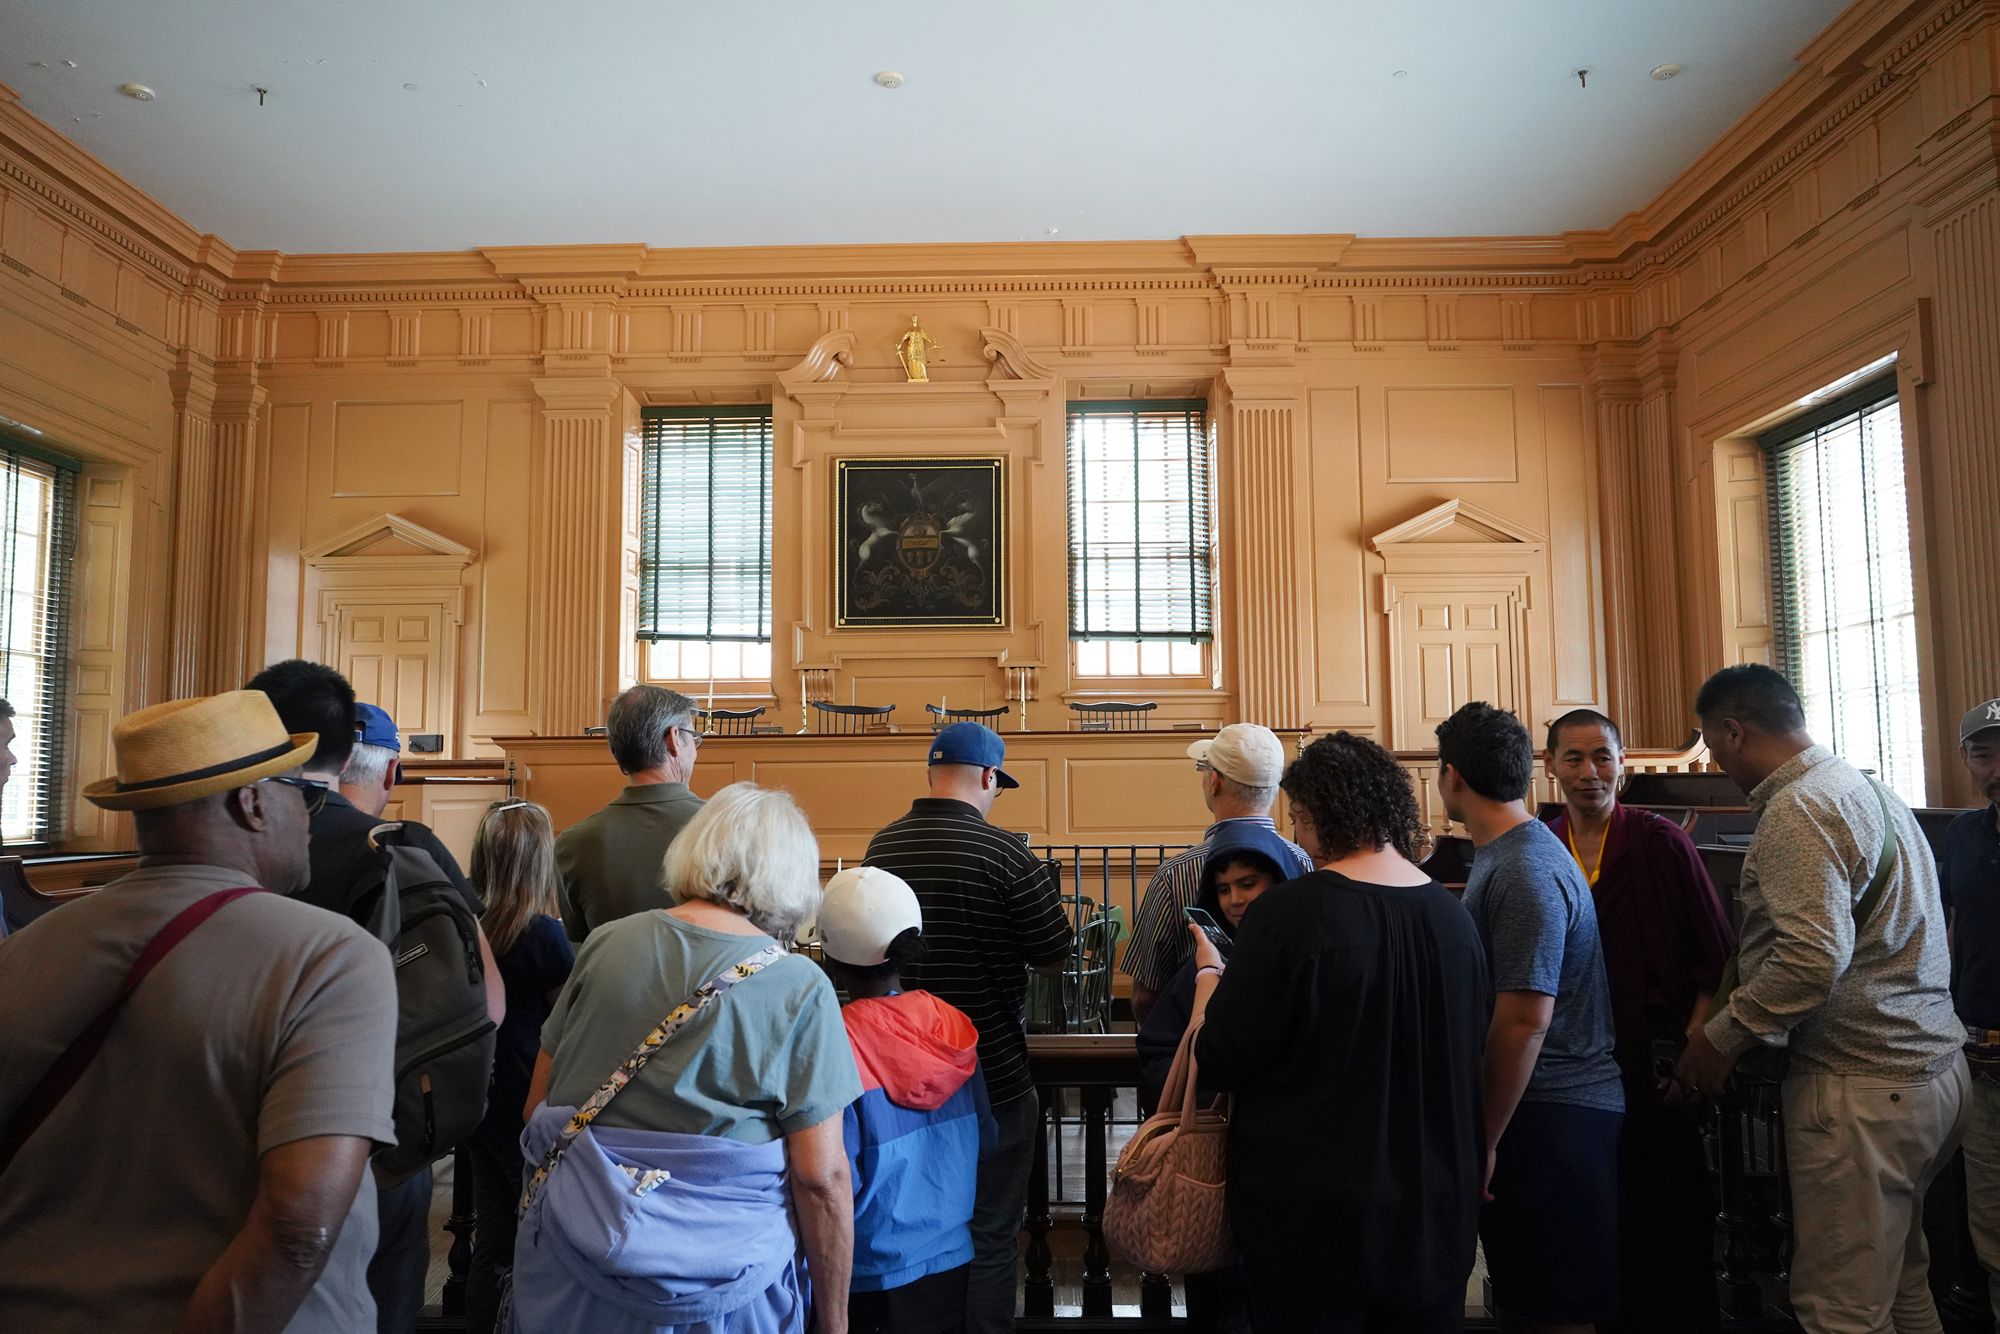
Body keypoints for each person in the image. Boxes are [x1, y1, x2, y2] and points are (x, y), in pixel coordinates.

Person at [0, 690, 396, 1331]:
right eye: (301, 792)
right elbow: (300, 1225)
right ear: (252, 803)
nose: (308, 815)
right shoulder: (327, 957)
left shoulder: (20, 951)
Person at [1680, 664, 1966, 1334]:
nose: (1719, 764)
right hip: (1931, 1074)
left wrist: (1721, 1038)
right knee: (1903, 1286)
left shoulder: (1799, 808)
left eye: (1714, 748)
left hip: (1862, 1089)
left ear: (1734, 731)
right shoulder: (1866, 788)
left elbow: (1810, 960)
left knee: (1840, 1311)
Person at [517, 783, 860, 1333]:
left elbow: (537, 1105)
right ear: (790, 873)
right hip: (724, 1291)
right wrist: (835, 1321)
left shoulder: (605, 943)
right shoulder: (799, 985)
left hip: (574, 1275)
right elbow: (820, 1178)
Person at [1191, 730, 1489, 1333]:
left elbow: (1222, 1055)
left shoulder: (1289, 914)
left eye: (1297, 820)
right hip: (1434, 1209)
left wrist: (1206, 979)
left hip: (1316, 1219)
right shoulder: (1452, 916)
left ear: (1314, 816)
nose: (1299, 837)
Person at [246, 661, 503, 1334]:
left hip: (229, 1127)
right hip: (373, 1137)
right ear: (391, 772)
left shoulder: (232, 836)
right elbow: (488, 1003)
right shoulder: (404, 848)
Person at [864, 722, 1071, 1334]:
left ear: (932, 773)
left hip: (894, 1082)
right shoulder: (1006, 853)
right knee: (991, 1232)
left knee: (905, 1229)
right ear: (987, 776)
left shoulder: (882, 849)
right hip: (992, 1074)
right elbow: (1054, 953)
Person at [1542, 707, 1735, 1334]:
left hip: (1653, 1067)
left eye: (1603, 757)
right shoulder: (1543, 846)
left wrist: (1691, 1047)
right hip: (1571, 1072)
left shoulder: (1660, 842)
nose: (1589, 773)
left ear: (1622, 764)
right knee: (1587, 1217)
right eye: (1574, 758)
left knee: (1665, 1217)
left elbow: (1714, 958)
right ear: (1550, 766)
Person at [1438, 701, 1622, 1334]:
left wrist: (1484, 1139)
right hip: (1540, 1110)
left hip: (1553, 1111)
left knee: (1555, 1313)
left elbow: (1524, 1020)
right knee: (1529, 1302)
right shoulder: (1514, 852)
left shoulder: (1523, 867)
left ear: (1452, 776)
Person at [813, 865, 995, 1334]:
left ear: (831, 959)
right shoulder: (952, 1022)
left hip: (868, 1268)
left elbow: (834, 1171)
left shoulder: (834, 1042)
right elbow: (987, 1136)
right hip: (951, 1255)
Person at [462, 798, 574, 1334]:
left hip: (477, 1097)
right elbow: (572, 1019)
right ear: (539, 860)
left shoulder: (466, 926)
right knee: (538, 1234)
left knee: (493, 1234)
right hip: (527, 1102)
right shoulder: (542, 935)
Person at [1122, 723, 1313, 1024]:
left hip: (1200, 1039)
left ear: (1214, 782)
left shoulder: (1174, 874)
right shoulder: (1305, 863)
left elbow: (1146, 997)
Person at [1133, 823, 1300, 1112]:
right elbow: (1157, 1050)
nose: (1234, 900)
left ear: (1278, 881)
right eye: (1223, 889)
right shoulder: (1202, 965)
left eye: (1247, 884)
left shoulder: (1308, 953)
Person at [555, 684, 706, 942]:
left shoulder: (573, 843)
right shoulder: (728, 827)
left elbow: (581, 945)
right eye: (693, 737)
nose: (695, 749)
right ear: (674, 739)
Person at [1948, 698, 2000, 1323]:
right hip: (1982, 1060)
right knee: (1992, 1229)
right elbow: (1955, 929)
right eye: (1984, 755)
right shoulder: (1963, 835)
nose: (1998, 769)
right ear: (1965, 760)